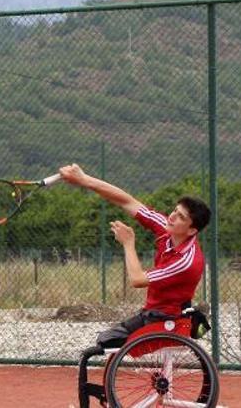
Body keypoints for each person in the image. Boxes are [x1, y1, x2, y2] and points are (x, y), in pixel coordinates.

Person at [58, 164, 211, 404]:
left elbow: (137, 280)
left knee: (109, 348)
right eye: (174, 210)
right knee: (104, 342)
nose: (172, 216)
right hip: (151, 314)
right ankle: (104, 399)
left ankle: (108, 399)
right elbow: (127, 201)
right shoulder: (166, 229)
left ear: (192, 230)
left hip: (168, 321)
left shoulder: (187, 260)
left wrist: (128, 243)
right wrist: (84, 179)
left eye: (180, 217)